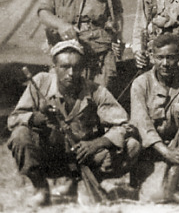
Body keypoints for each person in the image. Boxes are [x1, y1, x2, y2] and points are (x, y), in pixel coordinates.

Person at [7, 40, 140, 207]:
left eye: (76, 67)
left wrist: (97, 143)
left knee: (132, 146)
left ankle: (83, 184)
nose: (71, 73)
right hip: (51, 156)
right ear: (54, 67)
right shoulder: (41, 82)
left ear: (83, 68)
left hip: (84, 156)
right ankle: (41, 188)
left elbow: (126, 125)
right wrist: (33, 118)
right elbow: (13, 119)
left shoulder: (96, 91)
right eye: (64, 67)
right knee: (20, 134)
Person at [129, 33, 179, 203]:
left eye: (170, 58)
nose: (165, 63)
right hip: (152, 153)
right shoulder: (141, 84)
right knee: (155, 196)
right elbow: (143, 127)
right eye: (160, 58)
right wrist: (167, 153)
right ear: (152, 58)